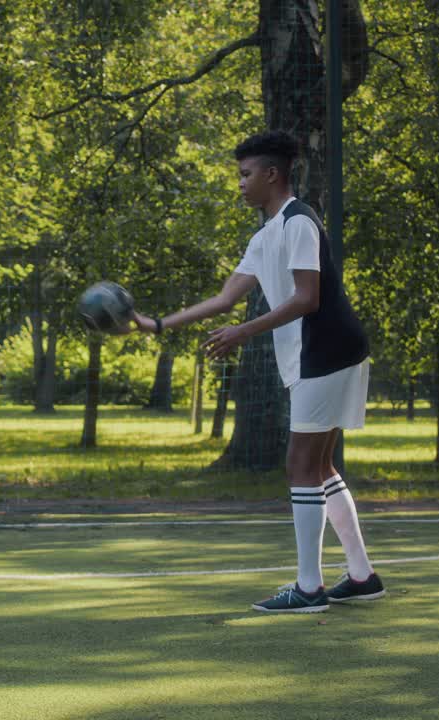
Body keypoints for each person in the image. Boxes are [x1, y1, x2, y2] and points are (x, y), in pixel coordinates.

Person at [130, 130, 385, 613]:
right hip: (323, 353)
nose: (240, 184)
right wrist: (154, 324)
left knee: (300, 465)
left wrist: (242, 333)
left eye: (246, 175)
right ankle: (361, 575)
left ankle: (309, 588)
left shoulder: (299, 222)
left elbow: (307, 299)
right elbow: (225, 298)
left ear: (272, 174)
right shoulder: (264, 234)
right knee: (321, 466)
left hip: (326, 350)